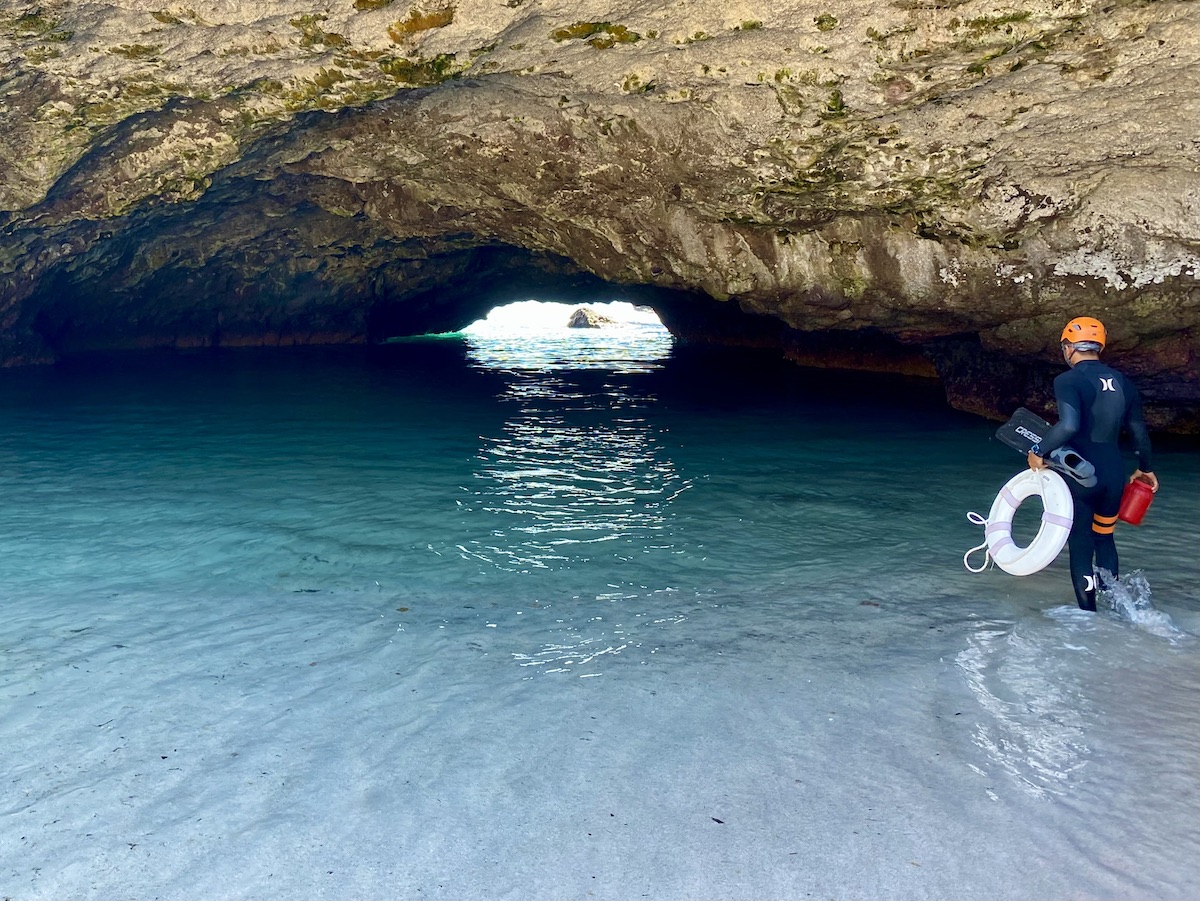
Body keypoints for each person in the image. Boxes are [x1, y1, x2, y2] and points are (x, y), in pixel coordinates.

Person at [1025, 316, 1158, 610]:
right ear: (1099, 346)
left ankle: (1089, 618)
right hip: (1113, 475)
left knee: (1081, 541)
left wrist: (1039, 450)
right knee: (1105, 537)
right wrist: (1146, 468)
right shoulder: (1123, 382)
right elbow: (1138, 430)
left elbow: (1069, 426)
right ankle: (1119, 607)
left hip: (1081, 475)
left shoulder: (1067, 380)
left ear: (1069, 346)